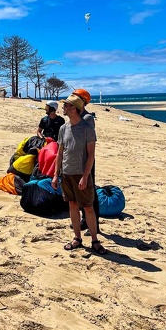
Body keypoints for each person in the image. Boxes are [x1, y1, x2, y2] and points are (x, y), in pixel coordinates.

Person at [52, 94, 107, 254]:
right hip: (67, 174)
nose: (63, 108)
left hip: (81, 175)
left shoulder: (87, 128)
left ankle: (95, 241)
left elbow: (91, 155)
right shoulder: (63, 128)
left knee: (88, 208)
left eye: (66, 106)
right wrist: (56, 175)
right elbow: (59, 154)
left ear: (74, 108)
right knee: (72, 205)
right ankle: (77, 238)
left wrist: (85, 176)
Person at [71, 89, 100, 232]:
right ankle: (84, 220)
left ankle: (95, 224)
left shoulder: (87, 118)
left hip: (86, 159)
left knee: (89, 189)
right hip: (76, 159)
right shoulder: (76, 115)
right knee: (79, 190)